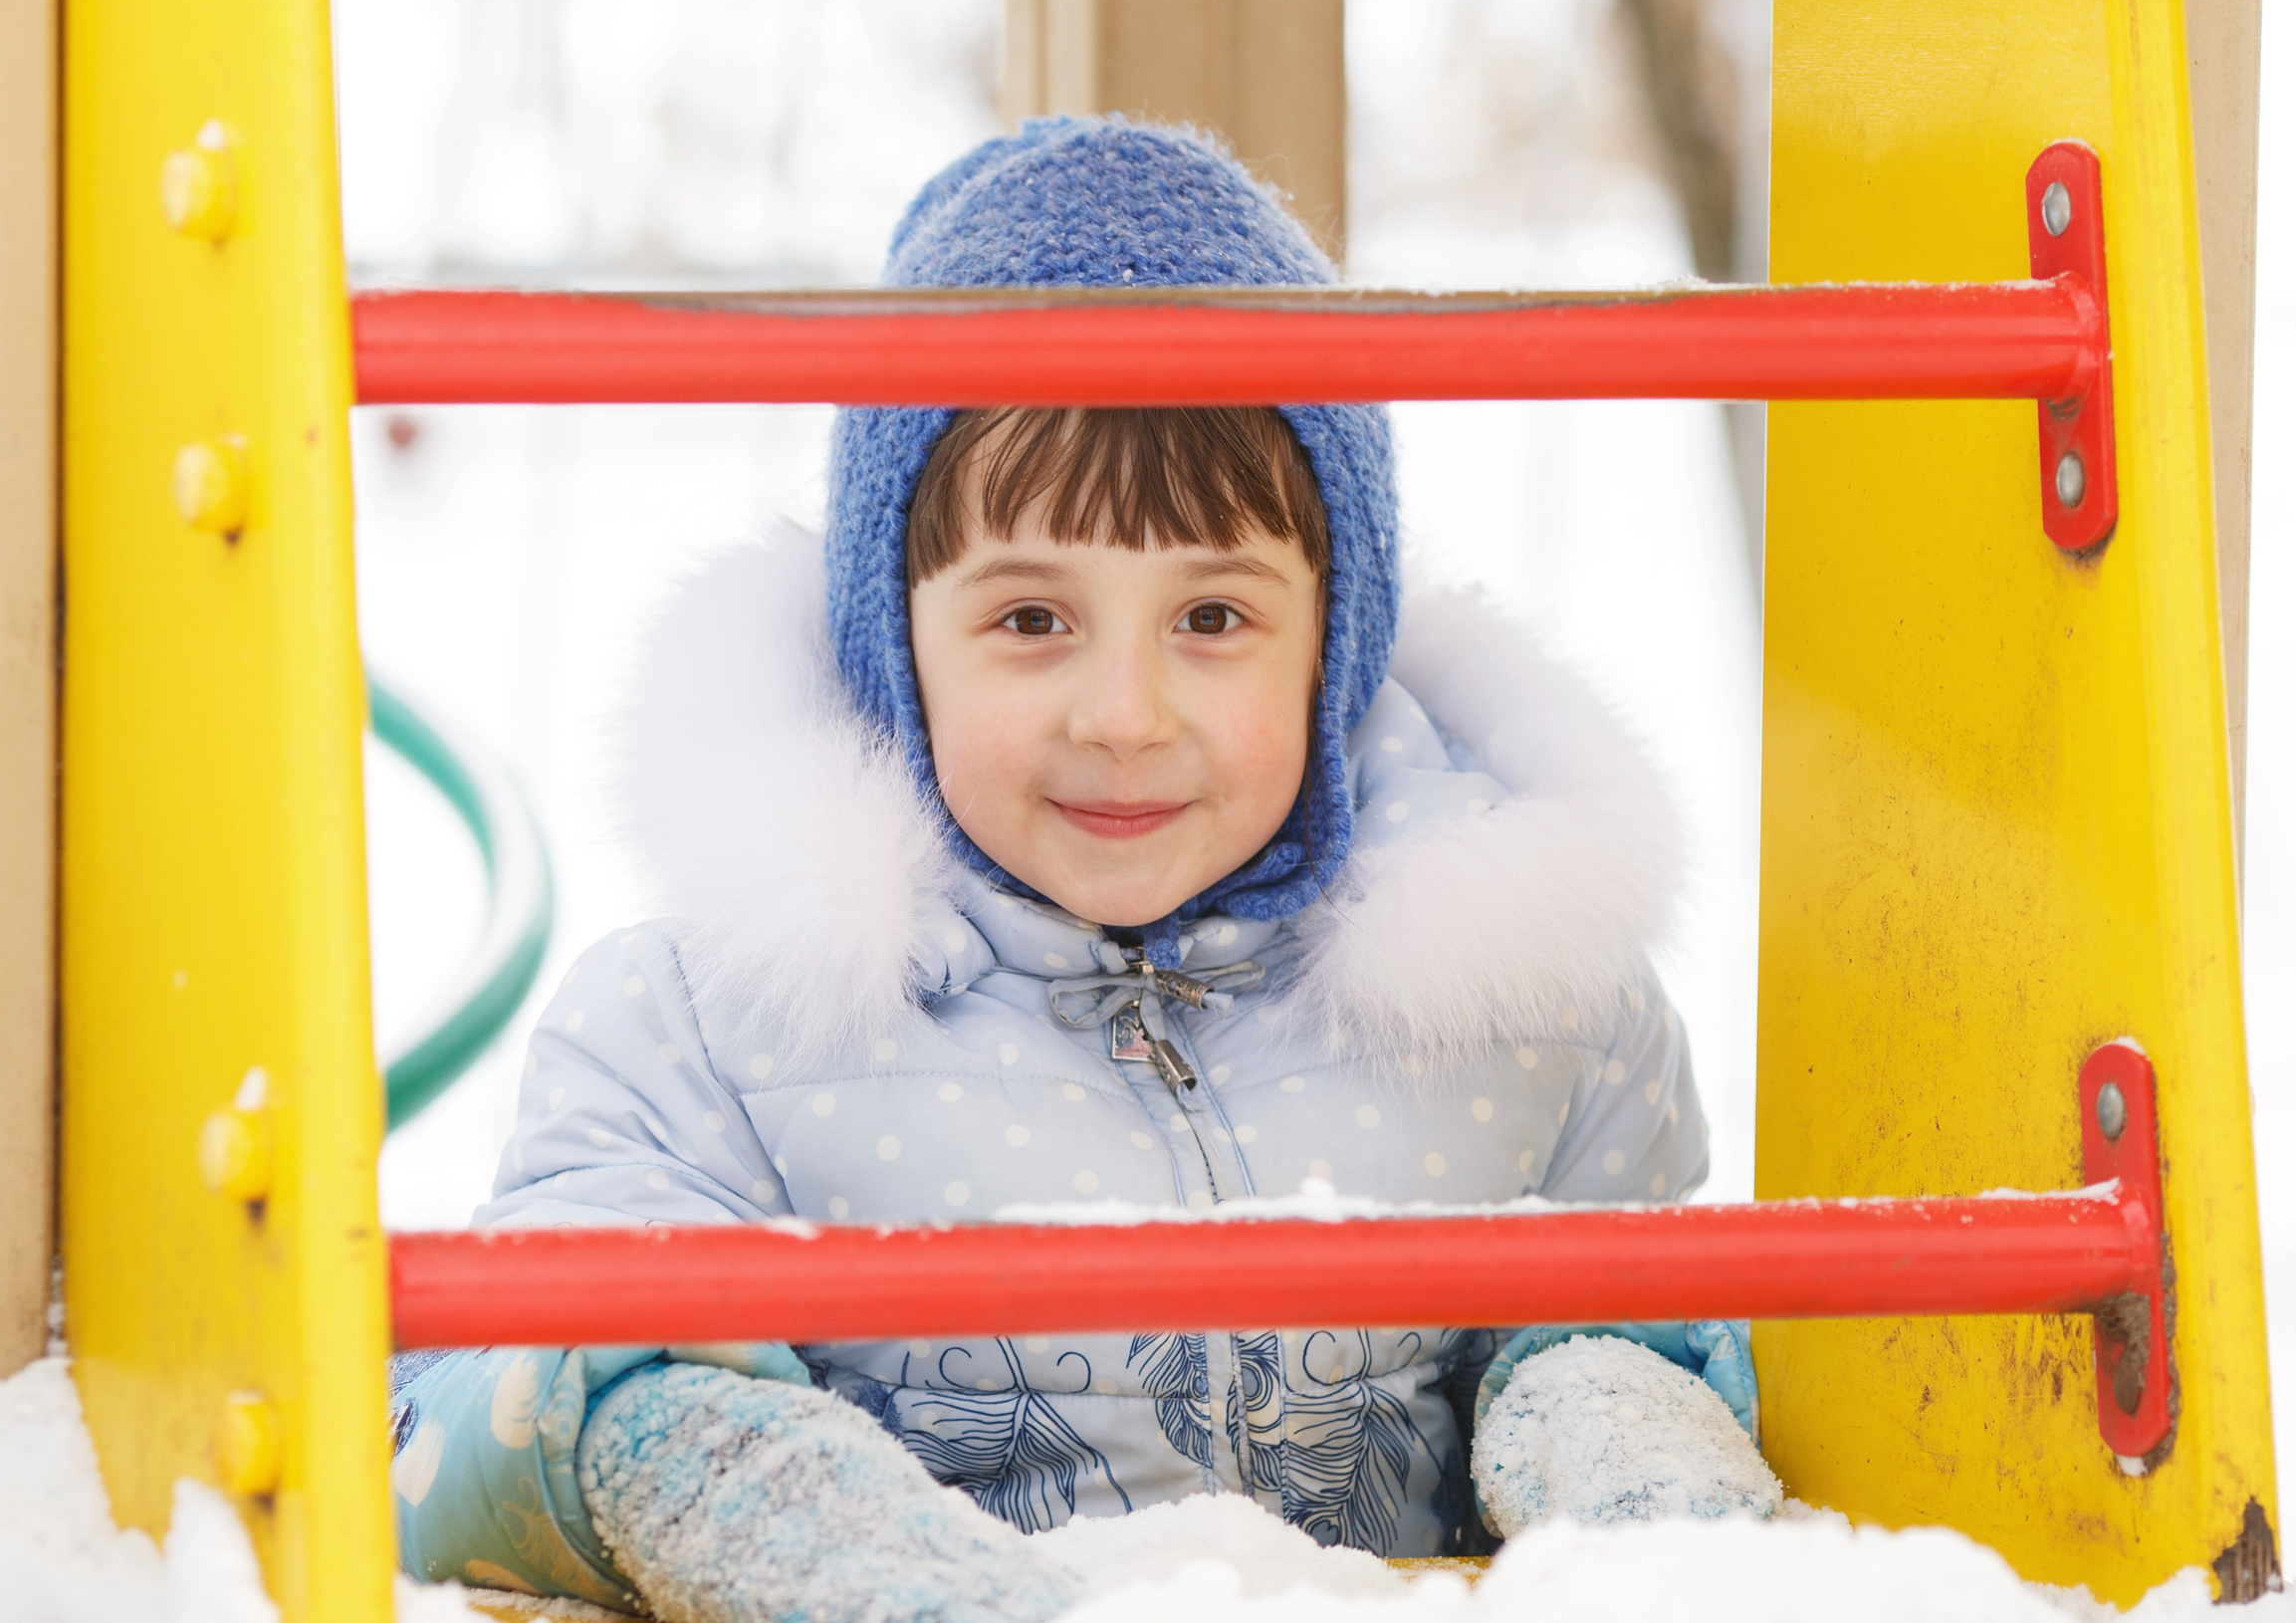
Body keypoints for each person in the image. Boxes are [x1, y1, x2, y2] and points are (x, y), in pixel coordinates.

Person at [388, 116, 1758, 1623]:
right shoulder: (707, 1032)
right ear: (895, 640)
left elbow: (1635, 1316)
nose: (1124, 716)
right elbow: (490, 1396)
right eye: (1031, 620)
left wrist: (1611, 1425)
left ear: (1334, 641)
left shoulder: (1533, 1013)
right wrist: (710, 1465)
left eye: (1213, 620)